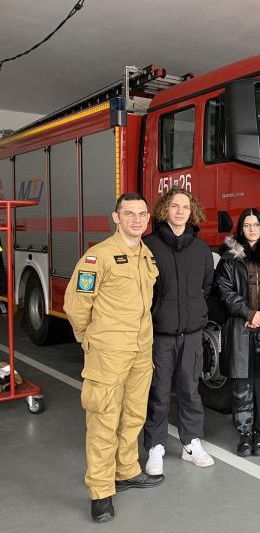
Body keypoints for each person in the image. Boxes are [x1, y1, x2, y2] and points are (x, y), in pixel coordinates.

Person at [64, 194, 162, 523]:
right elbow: (77, 305)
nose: (136, 219)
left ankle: (126, 470)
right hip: (108, 352)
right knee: (104, 419)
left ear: (148, 218)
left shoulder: (146, 256)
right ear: (115, 217)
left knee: (133, 414)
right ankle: (101, 491)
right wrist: (88, 339)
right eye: (129, 214)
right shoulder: (98, 257)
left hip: (140, 349)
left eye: (141, 214)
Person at [142, 188, 215, 476]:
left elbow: (206, 287)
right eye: (174, 206)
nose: (180, 211)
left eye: (185, 206)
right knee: (158, 392)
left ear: (191, 211)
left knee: (190, 389)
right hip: (161, 335)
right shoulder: (148, 246)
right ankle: (156, 447)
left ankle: (191, 443)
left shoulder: (201, 249)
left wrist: (195, 313)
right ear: (165, 210)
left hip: (192, 335)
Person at [214, 208, 260, 456]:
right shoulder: (229, 258)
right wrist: (248, 313)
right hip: (240, 325)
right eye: (247, 225)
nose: (252, 229)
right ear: (241, 228)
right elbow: (223, 290)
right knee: (241, 382)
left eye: (256, 224)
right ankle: (245, 433)